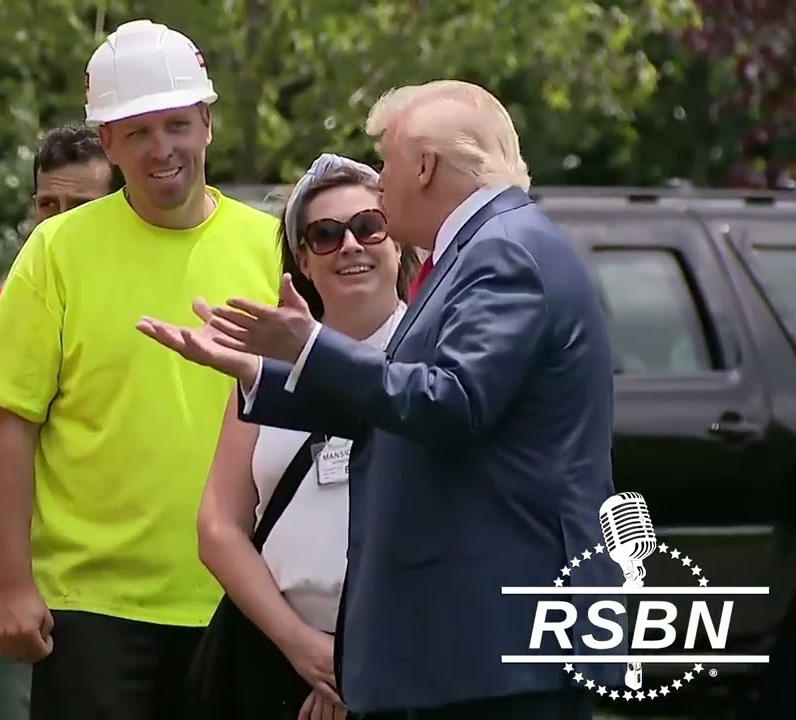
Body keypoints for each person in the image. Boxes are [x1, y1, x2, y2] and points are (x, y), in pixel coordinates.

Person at [138, 80, 622, 719]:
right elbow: (397, 410)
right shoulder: (482, 252)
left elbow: (449, 404)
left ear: (424, 167)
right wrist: (261, 374)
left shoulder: (502, 252)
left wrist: (311, 345)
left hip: (495, 639)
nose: (382, 190)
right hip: (471, 646)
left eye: (387, 166)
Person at [0, 19, 282, 719]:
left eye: (176, 125)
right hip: (91, 611)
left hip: (243, 599)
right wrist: (13, 585)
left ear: (207, 122)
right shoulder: (57, 250)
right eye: (137, 132)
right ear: (106, 142)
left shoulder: (273, 246)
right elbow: (9, 426)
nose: (161, 148)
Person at [196, 154, 419, 720]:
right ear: (303, 260)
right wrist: (303, 648)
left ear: (397, 242)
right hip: (273, 651)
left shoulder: (430, 360)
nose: (350, 246)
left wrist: (351, 659)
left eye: (369, 226)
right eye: (325, 235)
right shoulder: (265, 365)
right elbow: (219, 526)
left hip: (404, 653)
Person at [0, 123, 112, 720]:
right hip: (36, 610)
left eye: (79, 207)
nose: (58, 222)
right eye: (47, 204)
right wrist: (13, 590)